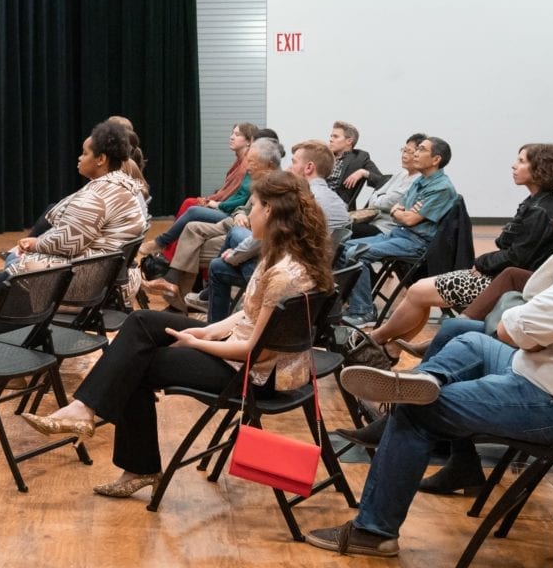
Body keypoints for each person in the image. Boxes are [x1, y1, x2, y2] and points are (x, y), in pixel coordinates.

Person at [312, 139, 553, 558]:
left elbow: (516, 328)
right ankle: (423, 381)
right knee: (469, 338)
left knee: (417, 413)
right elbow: (529, 301)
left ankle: (374, 531)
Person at [18, 170, 336, 500]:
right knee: (142, 322)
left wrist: (198, 343)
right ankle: (86, 410)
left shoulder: (284, 273)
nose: (247, 212)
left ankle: (135, 463)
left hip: (252, 375)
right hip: (255, 359)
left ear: (269, 210)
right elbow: (250, 315)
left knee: (137, 364)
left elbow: (258, 352)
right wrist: (209, 330)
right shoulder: (286, 254)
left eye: (253, 205)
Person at [362, 144, 553, 349]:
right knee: (418, 293)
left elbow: (517, 257)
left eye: (521, 161)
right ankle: (391, 349)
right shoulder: (537, 202)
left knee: (417, 292)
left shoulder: (540, 210)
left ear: (540, 168)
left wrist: (482, 263)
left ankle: (376, 339)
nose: (514, 166)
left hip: (502, 280)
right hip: (499, 273)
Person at [0, 121, 149, 298]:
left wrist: (34, 243)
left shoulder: (97, 196)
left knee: (9, 275)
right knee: (14, 263)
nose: (80, 158)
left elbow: (67, 243)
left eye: (85, 153)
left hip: (94, 286)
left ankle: (21, 324)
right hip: (114, 279)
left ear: (101, 159)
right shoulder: (123, 185)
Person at [201, 140, 350, 320]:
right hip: (316, 278)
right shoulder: (340, 204)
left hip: (286, 280)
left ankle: (215, 320)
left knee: (219, 264)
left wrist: (235, 256)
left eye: (294, 162)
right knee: (235, 236)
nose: (288, 168)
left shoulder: (300, 199)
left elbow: (268, 237)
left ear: (309, 167)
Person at [142, 137, 283, 307]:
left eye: (252, 162)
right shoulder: (260, 181)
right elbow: (242, 207)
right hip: (235, 224)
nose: (248, 165)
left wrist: (227, 210)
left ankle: (182, 298)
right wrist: (240, 214)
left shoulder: (274, 187)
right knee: (191, 228)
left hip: (244, 236)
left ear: (268, 164)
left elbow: (260, 231)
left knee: (191, 245)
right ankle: (176, 290)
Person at [339, 135, 456, 319]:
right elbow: (399, 208)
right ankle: (345, 300)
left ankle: (363, 311)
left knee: (356, 252)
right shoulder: (420, 180)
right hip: (399, 233)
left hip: (416, 242)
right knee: (342, 247)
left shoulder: (442, 188)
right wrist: (403, 212)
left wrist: (403, 213)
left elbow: (409, 219)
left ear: (436, 159)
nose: (415, 153)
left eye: (421, 150)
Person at [145, 122, 262, 263]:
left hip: (231, 213)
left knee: (192, 207)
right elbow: (229, 192)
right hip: (229, 209)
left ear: (249, 141)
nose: (231, 137)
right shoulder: (240, 161)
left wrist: (216, 204)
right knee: (190, 204)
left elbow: (239, 198)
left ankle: (164, 246)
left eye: (237, 135)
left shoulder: (247, 165)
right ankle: (168, 251)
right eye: (232, 133)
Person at [328, 121, 381, 208]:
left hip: (337, 205)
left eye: (335, 137)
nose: (330, 139)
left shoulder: (359, 157)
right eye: (331, 136)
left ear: (349, 141)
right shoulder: (323, 155)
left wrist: (363, 172)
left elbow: (382, 181)